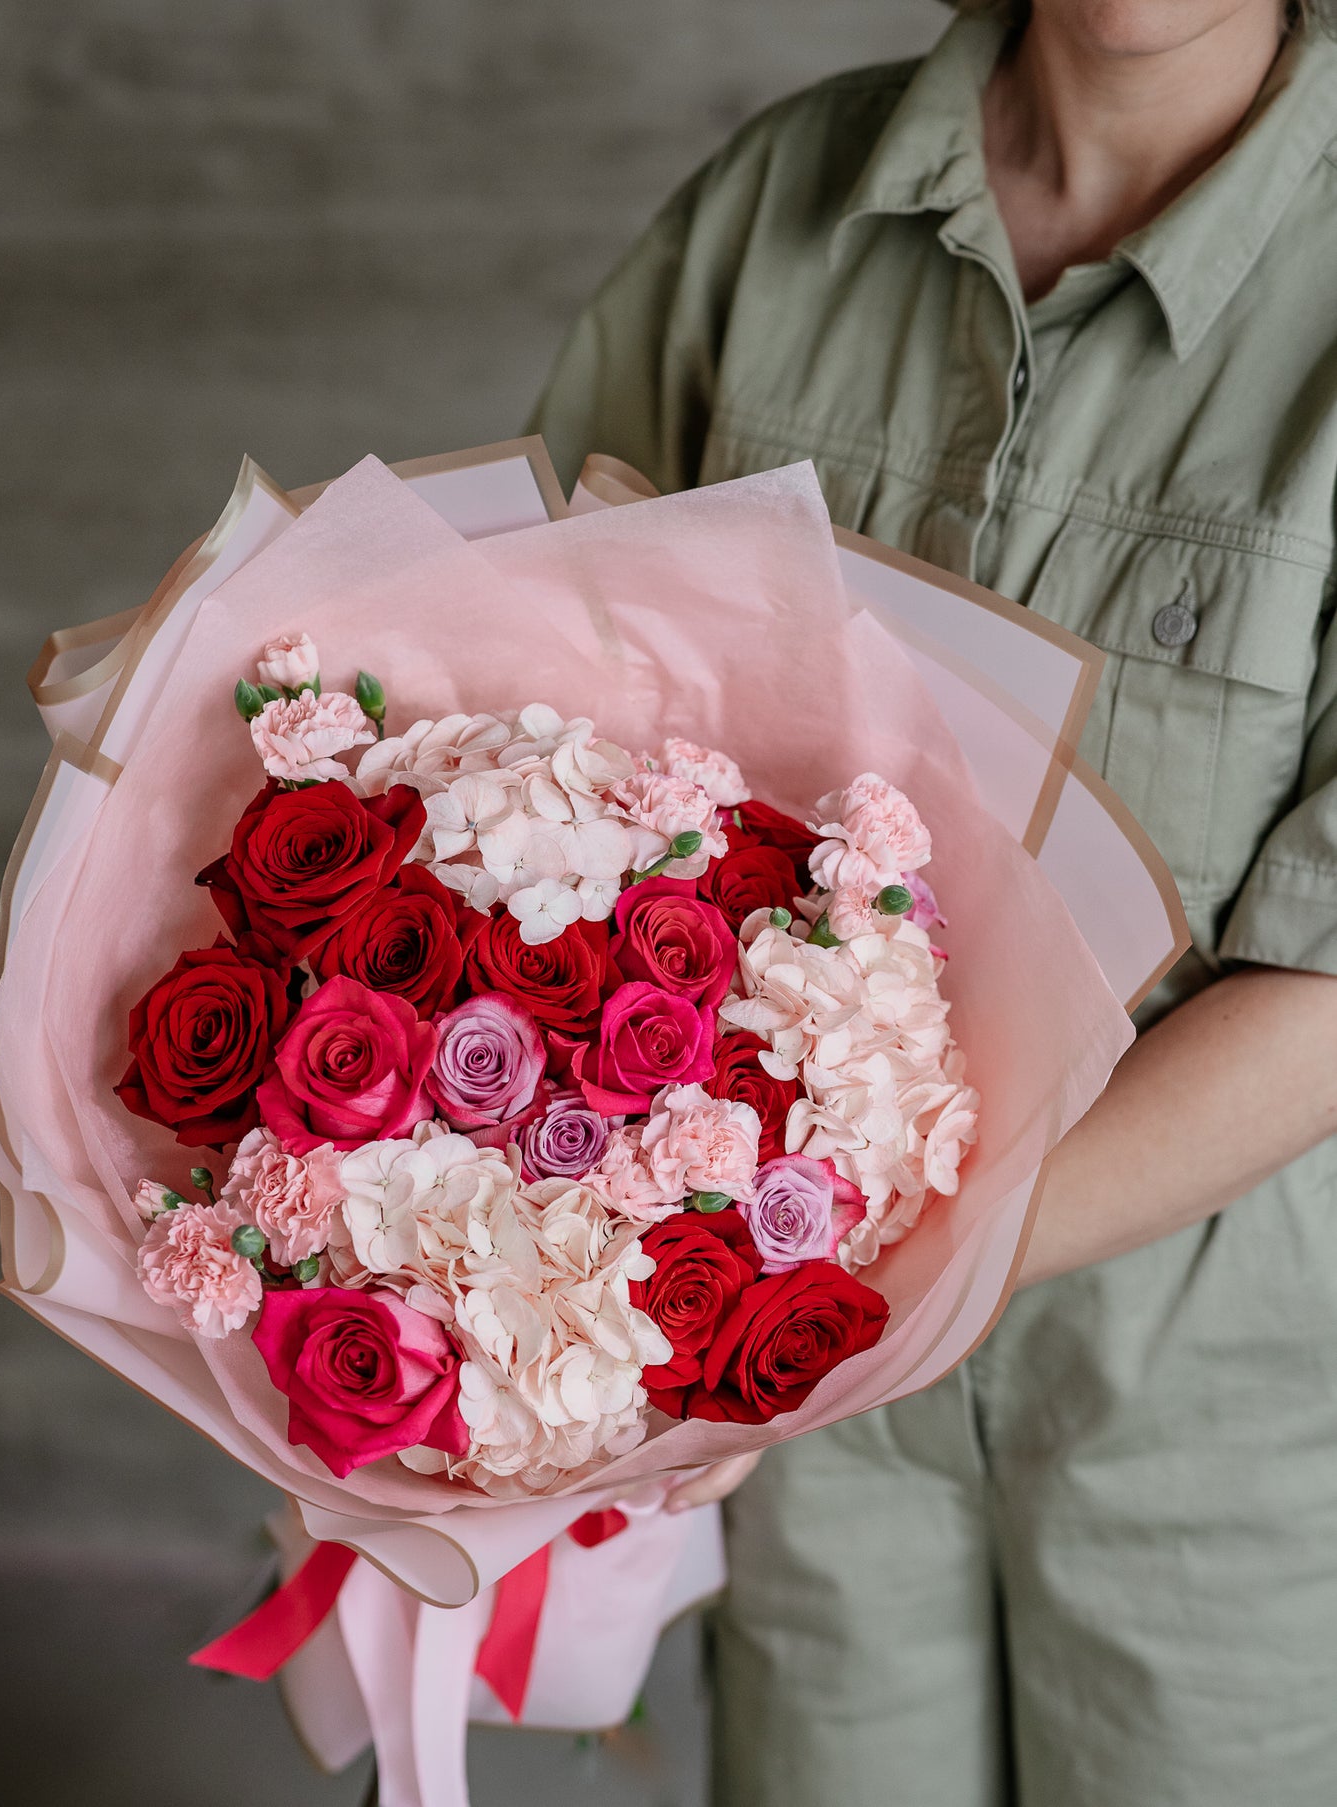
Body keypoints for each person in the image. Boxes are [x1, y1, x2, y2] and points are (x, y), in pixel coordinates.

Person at [527, 3, 1337, 1802]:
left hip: (1236, 1393)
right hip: (807, 1398)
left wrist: (857, 1287)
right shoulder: (775, 214)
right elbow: (533, 716)